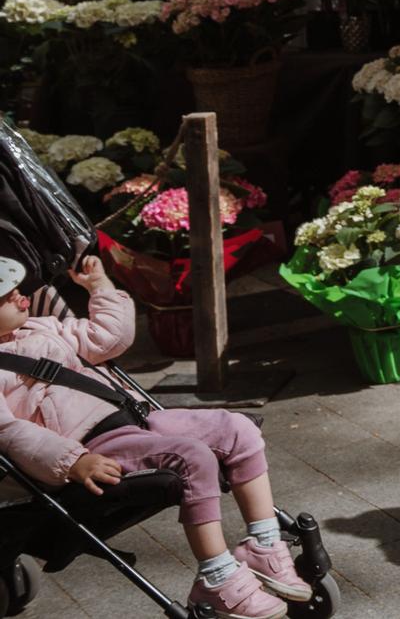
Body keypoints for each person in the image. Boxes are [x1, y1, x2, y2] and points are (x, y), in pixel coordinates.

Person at [0, 255, 311, 619]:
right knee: (192, 457)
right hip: (89, 444)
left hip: (135, 418)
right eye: (8, 296)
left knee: (237, 428)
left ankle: (264, 543)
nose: (24, 297)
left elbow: (109, 340)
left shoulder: (43, 328)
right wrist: (73, 460)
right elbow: (10, 432)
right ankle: (216, 577)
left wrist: (99, 287)